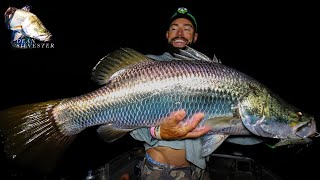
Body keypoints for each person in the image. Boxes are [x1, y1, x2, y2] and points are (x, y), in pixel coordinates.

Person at [130, 7, 214, 180]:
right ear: (167, 35)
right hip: (159, 169)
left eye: (187, 28)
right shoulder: (148, 65)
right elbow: (126, 114)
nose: (180, 33)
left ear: (195, 37)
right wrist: (156, 132)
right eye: (174, 28)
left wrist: (270, 132)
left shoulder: (212, 73)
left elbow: (228, 126)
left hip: (199, 171)